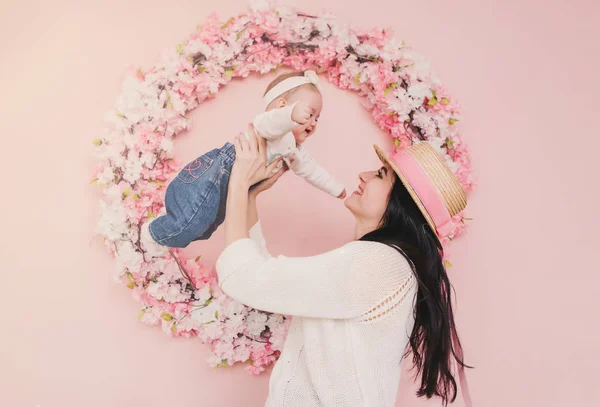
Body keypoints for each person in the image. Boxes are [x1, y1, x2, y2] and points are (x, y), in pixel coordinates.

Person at [215, 125, 472, 406]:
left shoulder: (378, 264)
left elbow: (243, 277)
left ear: (401, 204)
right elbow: (266, 279)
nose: (364, 175)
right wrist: (250, 196)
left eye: (380, 174)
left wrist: (238, 183)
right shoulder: (385, 264)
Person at [140, 70, 345, 254]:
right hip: (220, 170)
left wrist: (336, 189)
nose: (313, 122)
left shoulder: (296, 151)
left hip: (236, 188)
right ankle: (154, 232)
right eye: (310, 113)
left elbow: (313, 171)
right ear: (282, 106)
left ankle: (163, 228)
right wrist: (290, 116)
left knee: (204, 229)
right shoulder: (271, 127)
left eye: (317, 118)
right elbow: (270, 121)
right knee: (190, 222)